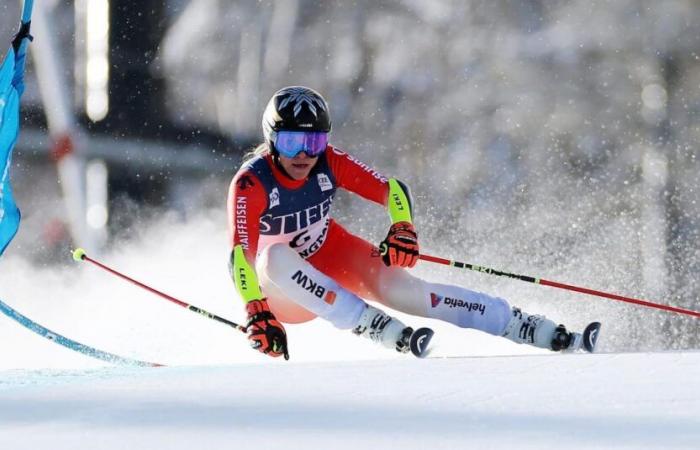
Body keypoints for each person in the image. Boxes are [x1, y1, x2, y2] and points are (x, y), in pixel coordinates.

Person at [227, 86, 587, 359]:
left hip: (331, 256)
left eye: (314, 140)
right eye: (291, 142)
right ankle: (367, 322)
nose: (304, 154)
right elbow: (239, 256)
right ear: (272, 139)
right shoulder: (251, 183)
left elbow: (392, 190)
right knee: (273, 256)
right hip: (283, 293)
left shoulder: (328, 162)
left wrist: (402, 227)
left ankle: (520, 324)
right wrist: (256, 310)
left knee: (409, 292)